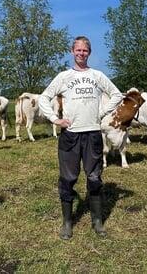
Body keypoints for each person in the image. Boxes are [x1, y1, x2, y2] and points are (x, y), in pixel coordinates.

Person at [39, 36, 123, 240]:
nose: (81, 54)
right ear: (72, 51)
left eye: (85, 51)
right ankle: (67, 222)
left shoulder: (97, 75)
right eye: (78, 50)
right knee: (68, 178)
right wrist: (54, 119)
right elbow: (44, 97)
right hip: (70, 135)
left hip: (93, 134)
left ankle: (97, 221)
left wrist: (102, 112)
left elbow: (117, 94)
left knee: (94, 177)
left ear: (89, 53)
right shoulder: (64, 77)